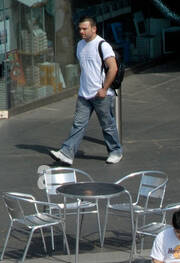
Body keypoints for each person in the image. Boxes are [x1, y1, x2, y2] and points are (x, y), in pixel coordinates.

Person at [49, 16, 122, 166]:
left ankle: (115, 151)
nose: (81, 31)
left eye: (84, 28)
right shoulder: (80, 45)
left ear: (93, 29)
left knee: (107, 125)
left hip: (101, 94)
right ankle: (67, 153)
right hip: (84, 94)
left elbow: (113, 68)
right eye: (80, 29)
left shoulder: (102, 45)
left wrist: (104, 89)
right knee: (78, 124)